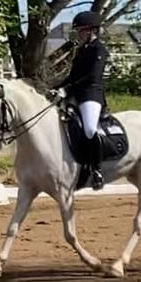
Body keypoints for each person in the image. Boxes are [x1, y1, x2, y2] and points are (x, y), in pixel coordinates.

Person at [52, 10, 109, 190]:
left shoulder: (99, 50)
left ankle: (96, 169)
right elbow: (72, 76)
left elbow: (92, 76)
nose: (78, 34)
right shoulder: (81, 51)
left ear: (92, 31)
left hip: (91, 95)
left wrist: (67, 89)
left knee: (90, 129)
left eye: (81, 31)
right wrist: (55, 87)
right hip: (75, 94)